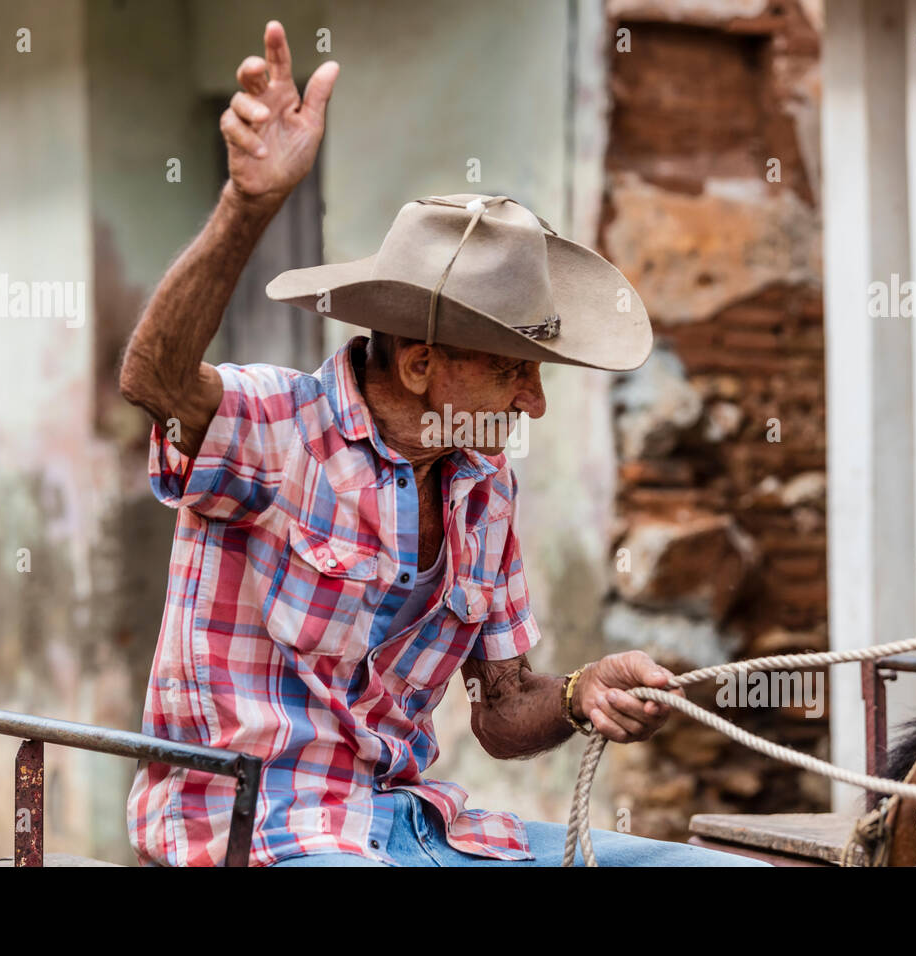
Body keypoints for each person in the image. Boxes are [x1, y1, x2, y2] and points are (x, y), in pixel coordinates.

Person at [118, 19, 768, 868]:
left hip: (416, 825)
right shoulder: (278, 431)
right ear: (423, 363)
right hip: (264, 832)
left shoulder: (481, 483)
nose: (534, 403)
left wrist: (580, 692)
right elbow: (155, 381)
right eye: (514, 374)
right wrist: (249, 203)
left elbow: (504, 709)